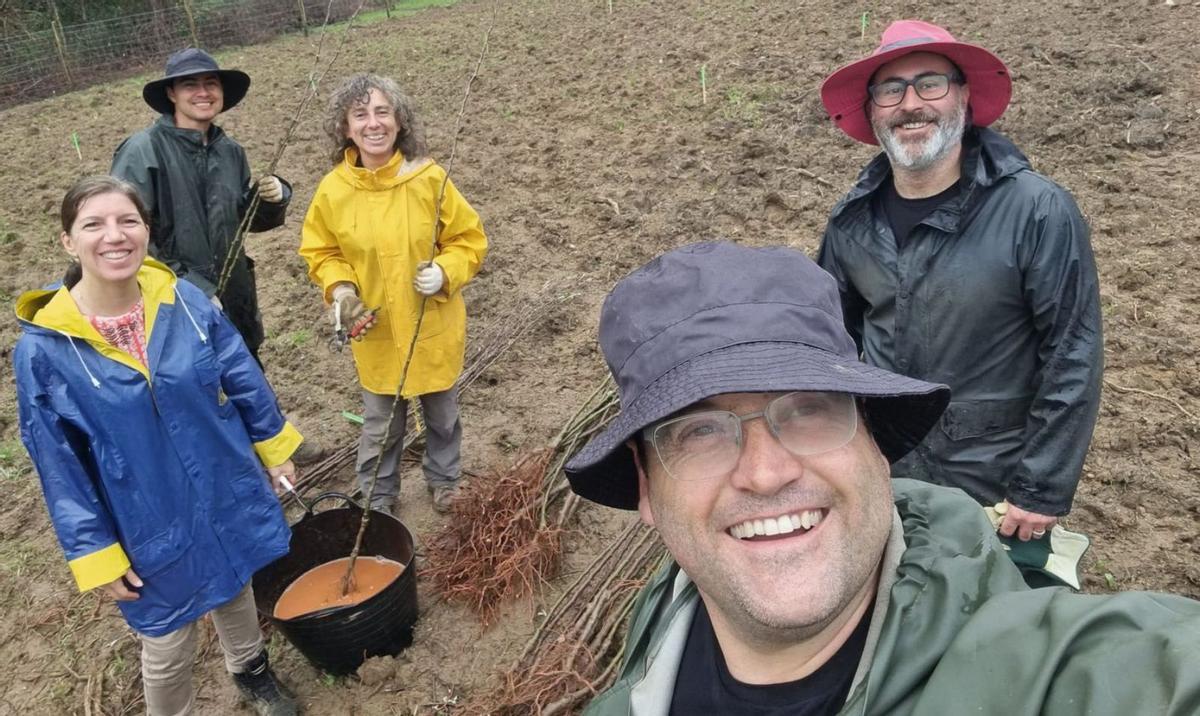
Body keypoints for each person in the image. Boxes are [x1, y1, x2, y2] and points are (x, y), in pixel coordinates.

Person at [563, 242, 1200, 715]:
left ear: (875, 440)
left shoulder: (1041, 674)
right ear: (647, 489)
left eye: (809, 409)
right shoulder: (653, 645)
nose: (765, 472)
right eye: (697, 432)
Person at [14, 176, 301, 716]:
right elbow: (58, 464)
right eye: (93, 224)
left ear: (145, 230)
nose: (114, 236)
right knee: (168, 636)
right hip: (143, 513)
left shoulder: (183, 300)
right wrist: (96, 554)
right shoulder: (45, 351)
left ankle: (251, 668)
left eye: (127, 221)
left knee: (237, 576)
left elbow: (241, 374)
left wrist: (273, 445)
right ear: (68, 242)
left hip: (220, 475)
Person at [815, 21, 1103, 545]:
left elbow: (1071, 352)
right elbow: (834, 342)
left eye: (931, 83)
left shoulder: (1036, 210)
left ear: (964, 96)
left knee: (983, 612)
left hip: (991, 480)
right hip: (886, 468)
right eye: (890, 89)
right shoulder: (851, 222)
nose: (910, 104)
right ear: (873, 110)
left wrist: (1039, 487)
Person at [111, 47, 323, 465]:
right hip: (171, 298)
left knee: (245, 367)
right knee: (193, 384)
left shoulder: (230, 153)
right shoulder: (143, 152)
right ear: (171, 93)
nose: (203, 92)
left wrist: (274, 198)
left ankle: (273, 442)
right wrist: (193, 290)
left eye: (211, 84)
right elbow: (128, 239)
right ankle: (232, 461)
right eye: (191, 84)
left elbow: (243, 222)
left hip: (234, 289)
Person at [300, 73, 488, 515]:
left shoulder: (429, 178)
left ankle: (445, 479)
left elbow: (468, 239)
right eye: (360, 114)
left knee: (442, 414)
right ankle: (380, 494)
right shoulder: (334, 191)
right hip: (376, 329)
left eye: (382, 112)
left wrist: (444, 271)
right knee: (381, 423)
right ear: (345, 128)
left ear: (399, 121)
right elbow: (322, 250)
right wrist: (342, 290)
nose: (373, 123)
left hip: (432, 322)